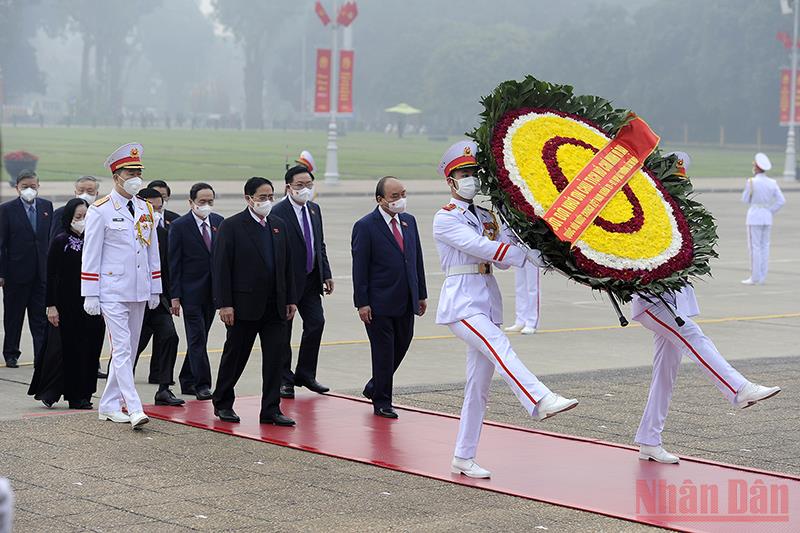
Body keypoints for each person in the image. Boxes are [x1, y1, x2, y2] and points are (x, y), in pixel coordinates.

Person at [433, 140, 578, 479]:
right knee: (501, 346)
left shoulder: (486, 215)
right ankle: (539, 399)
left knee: (477, 387)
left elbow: (501, 255)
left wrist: (536, 247)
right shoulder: (445, 218)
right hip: (461, 302)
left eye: (472, 172)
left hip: (485, 299)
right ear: (450, 180)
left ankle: (463, 457)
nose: (469, 178)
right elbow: (480, 247)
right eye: (462, 173)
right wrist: (518, 254)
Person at [631, 152, 781, 463]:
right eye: (674, 179)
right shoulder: (645, 209)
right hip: (653, 301)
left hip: (673, 300)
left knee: (666, 372)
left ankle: (649, 438)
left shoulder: (674, 210)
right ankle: (738, 389)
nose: (679, 185)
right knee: (694, 337)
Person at [81, 142, 162, 429]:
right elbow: (91, 253)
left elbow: (152, 250)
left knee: (127, 348)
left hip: (139, 289)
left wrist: (155, 287)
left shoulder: (144, 208)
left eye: (139, 171)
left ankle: (109, 404)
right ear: (116, 176)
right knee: (123, 348)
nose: (136, 177)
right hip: (112, 290)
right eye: (130, 172)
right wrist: (90, 292)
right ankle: (134, 406)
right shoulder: (100, 210)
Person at [211, 177, 297, 426]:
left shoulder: (278, 225)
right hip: (243, 306)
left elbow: (287, 265)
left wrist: (290, 298)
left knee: (275, 359)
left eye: (270, 196)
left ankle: (271, 409)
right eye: (262, 197)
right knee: (235, 356)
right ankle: (223, 402)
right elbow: (221, 268)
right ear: (248, 198)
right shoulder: (232, 226)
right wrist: (224, 304)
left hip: (275, 305)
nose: (267, 201)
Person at [351, 176, 427, 418]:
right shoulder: (365, 226)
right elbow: (359, 268)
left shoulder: (409, 221)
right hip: (378, 302)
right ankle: (382, 401)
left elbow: (416, 260)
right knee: (383, 351)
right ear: (380, 199)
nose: (400, 200)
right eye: (395, 196)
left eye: (403, 194)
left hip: (406, 299)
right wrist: (362, 303)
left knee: (402, 344)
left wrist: (421, 294)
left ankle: (375, 385)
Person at [28, 198, 105, 409]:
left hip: (92, 304)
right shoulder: (61, 241)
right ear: (69, 218)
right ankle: (73, 395)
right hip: (67, 305)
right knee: (72, 350)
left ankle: (86, 392)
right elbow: (51, 275)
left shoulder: (96, 241)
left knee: (91, 349)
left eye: (86, 217)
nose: (82, 221)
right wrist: (51, 306)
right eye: (78, 217)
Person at [272, 164, 333, 399]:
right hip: (287, 283)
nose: (305, 189)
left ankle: (306, 374)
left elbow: (320, 244)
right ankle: (284, 379)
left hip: (310, 280)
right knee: (283, 332)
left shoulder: (315, 209)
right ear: (288, 187)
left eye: (308, 184)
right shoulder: (278, 212)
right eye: (300, 185)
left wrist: (325, 273)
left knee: (316, 323)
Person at [169, 182, 223, 400]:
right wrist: (174, 296)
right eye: (202, 202)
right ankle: (202, 384)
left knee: (201, 336)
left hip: (213, 292)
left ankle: (187, 379)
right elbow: (174, 263)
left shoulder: (219, 222)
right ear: (191, 202)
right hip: (190, 292)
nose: (206, 205)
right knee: (196, 337)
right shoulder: (180, 226)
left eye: (210, 201)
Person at [132, 188, 184, 407]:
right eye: (150, 208)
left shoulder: (161, 233)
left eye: (158, 207)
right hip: (132, 298)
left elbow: (168, 267)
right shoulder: (124, 229)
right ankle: (119, 387)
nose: (155, 212)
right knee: (131, 346)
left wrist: (173, 297)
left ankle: (164, 388)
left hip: (156, 298)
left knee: (170, 337)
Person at [0, 169, 53, 368]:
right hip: (15, 273)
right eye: (25, 187)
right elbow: (1, 244)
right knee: (14, 317)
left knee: (39, 318)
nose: (29, 190)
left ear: (38, 186)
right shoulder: (6, 210)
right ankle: (11, 353)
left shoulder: (46, 207)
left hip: (41, 273)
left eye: (33, 186)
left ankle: (41, 354)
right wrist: (2, 273)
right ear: (17, 188)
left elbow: (48, 240)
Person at [741, 153, 785, 285]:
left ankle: (755, 277)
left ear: (758, 167)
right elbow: (781, 201)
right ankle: (762, 277)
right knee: (765, 247)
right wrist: (770, 210)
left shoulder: (752, 182)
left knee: (755, 247)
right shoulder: (772, 182)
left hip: (754, 216)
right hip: (767, 216)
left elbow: (745, 199)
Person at [50, 176, 101, 242]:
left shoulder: (100, 213)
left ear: (96, 193)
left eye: (89, 191)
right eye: (81, 191)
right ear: (75, 192)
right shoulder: (61, 212)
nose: (85, 194)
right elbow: (55, 240)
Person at [505, 263, 540, 335]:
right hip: (520, 252)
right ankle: (520, 321)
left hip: (533, 253)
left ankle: (532, 322)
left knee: (532, 287)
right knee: (520, 286)